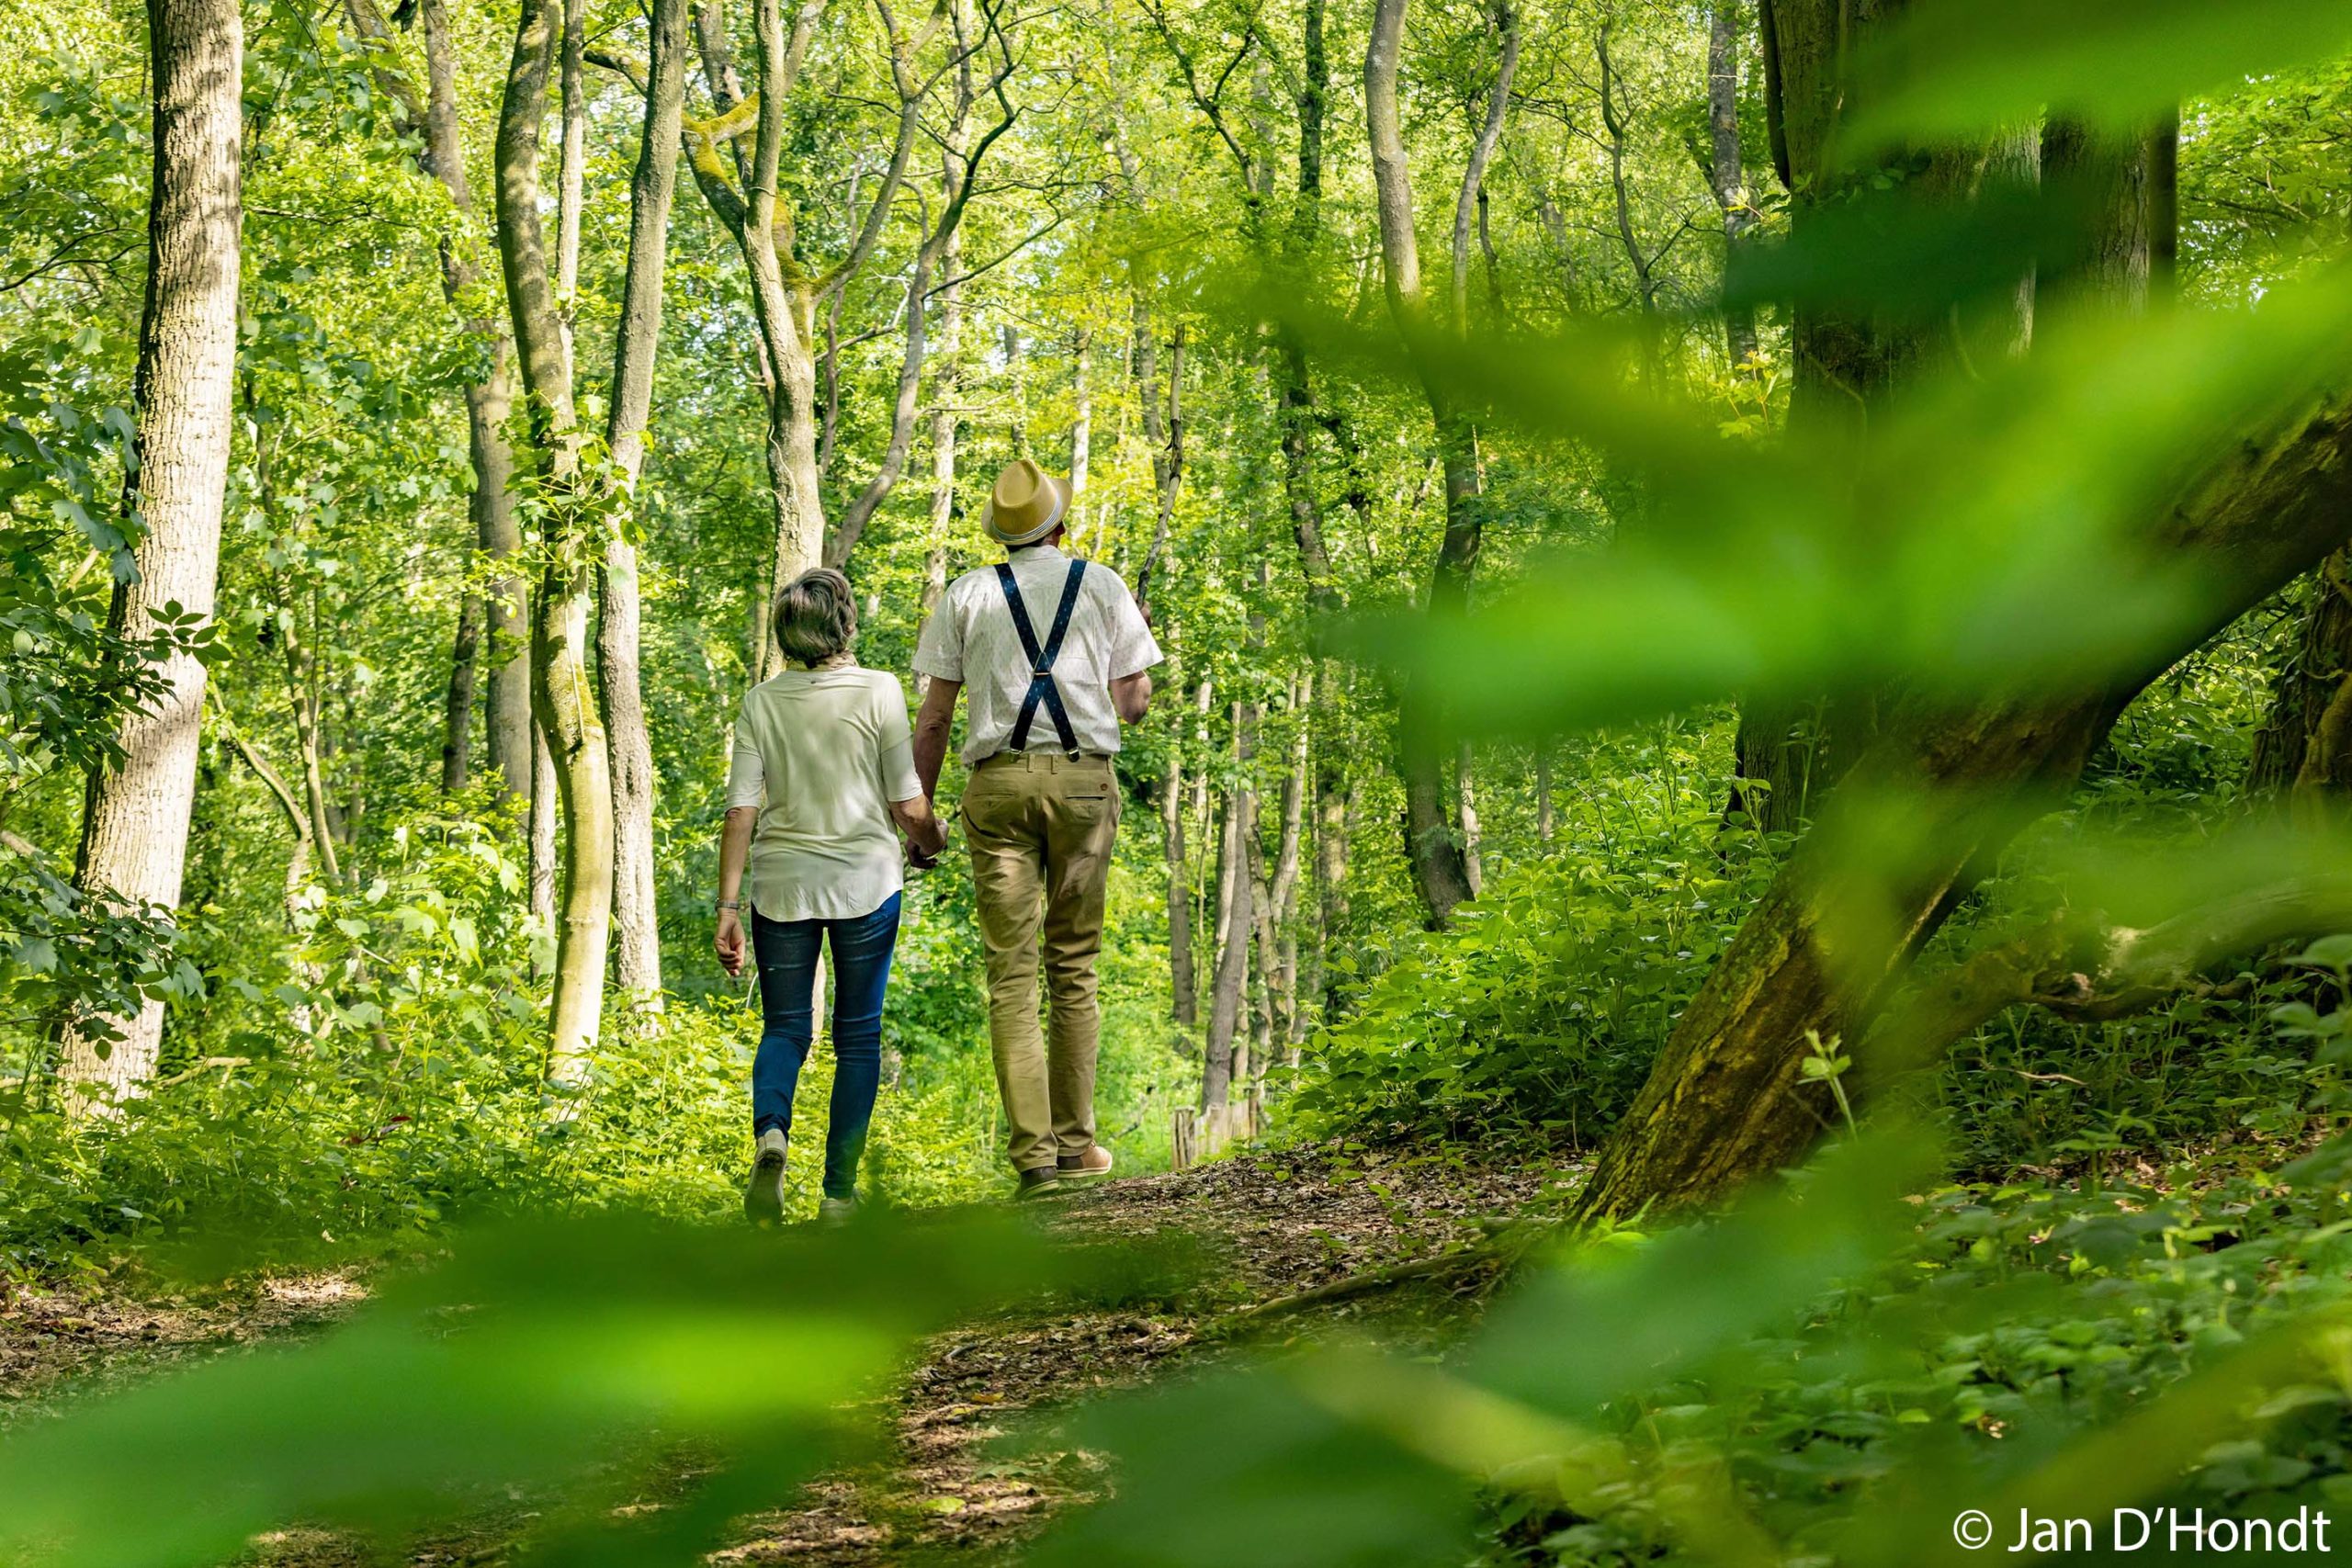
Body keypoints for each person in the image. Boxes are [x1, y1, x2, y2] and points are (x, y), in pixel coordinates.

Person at [911, 457, 1160, 1199]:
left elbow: (933, 717)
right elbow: (1135, 705)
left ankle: (1034, 1158)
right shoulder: (1105, 584)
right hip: (1084, 785)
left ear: (1005, 531)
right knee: (1073, 964)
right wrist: (1135, 653)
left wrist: (920, 815)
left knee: (1012, 975)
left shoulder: (967, 592)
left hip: (999, 787)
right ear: (1060, 525)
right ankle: (1078, 1143)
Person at [716, 568, 946, 1224]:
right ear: (845, 622)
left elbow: (740, 812)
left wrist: (728, 908)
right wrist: (936, 836)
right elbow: (906, 801)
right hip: (865, 883)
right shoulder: (879, 690)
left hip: (781, 885)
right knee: (858, 1037)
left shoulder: (761, 702)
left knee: (786, 1027)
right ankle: (838, 1194)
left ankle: (772, 1135)